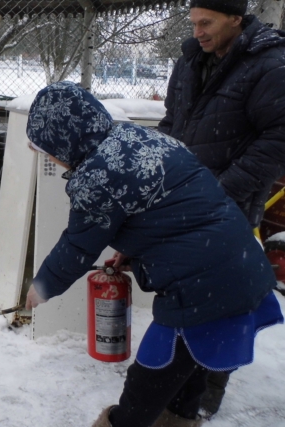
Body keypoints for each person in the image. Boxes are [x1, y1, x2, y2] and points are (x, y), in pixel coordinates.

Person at [23, 82, 282, 427]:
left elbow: (77, 246)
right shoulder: (136, 138)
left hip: (200, 287)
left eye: (45, 149)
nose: (48, 158)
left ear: (63, 142)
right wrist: (131, 254)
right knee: (191, 367)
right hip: (241, 266)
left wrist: (41, 287)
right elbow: (169, 212)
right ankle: (179, 421)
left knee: (150, 379)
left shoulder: (95, 179)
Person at [157, 0, 285, 416]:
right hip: (181, 200)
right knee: (183, 293)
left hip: (230, 205)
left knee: (224, 300)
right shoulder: (190, 60)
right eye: (193, 22)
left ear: (235, 17)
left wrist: (221, 188)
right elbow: (171, 123)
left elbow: (278, 139)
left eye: (206, 22)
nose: (198, 31)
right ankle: (177, 384)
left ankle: (206, 393)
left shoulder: (270, 64)